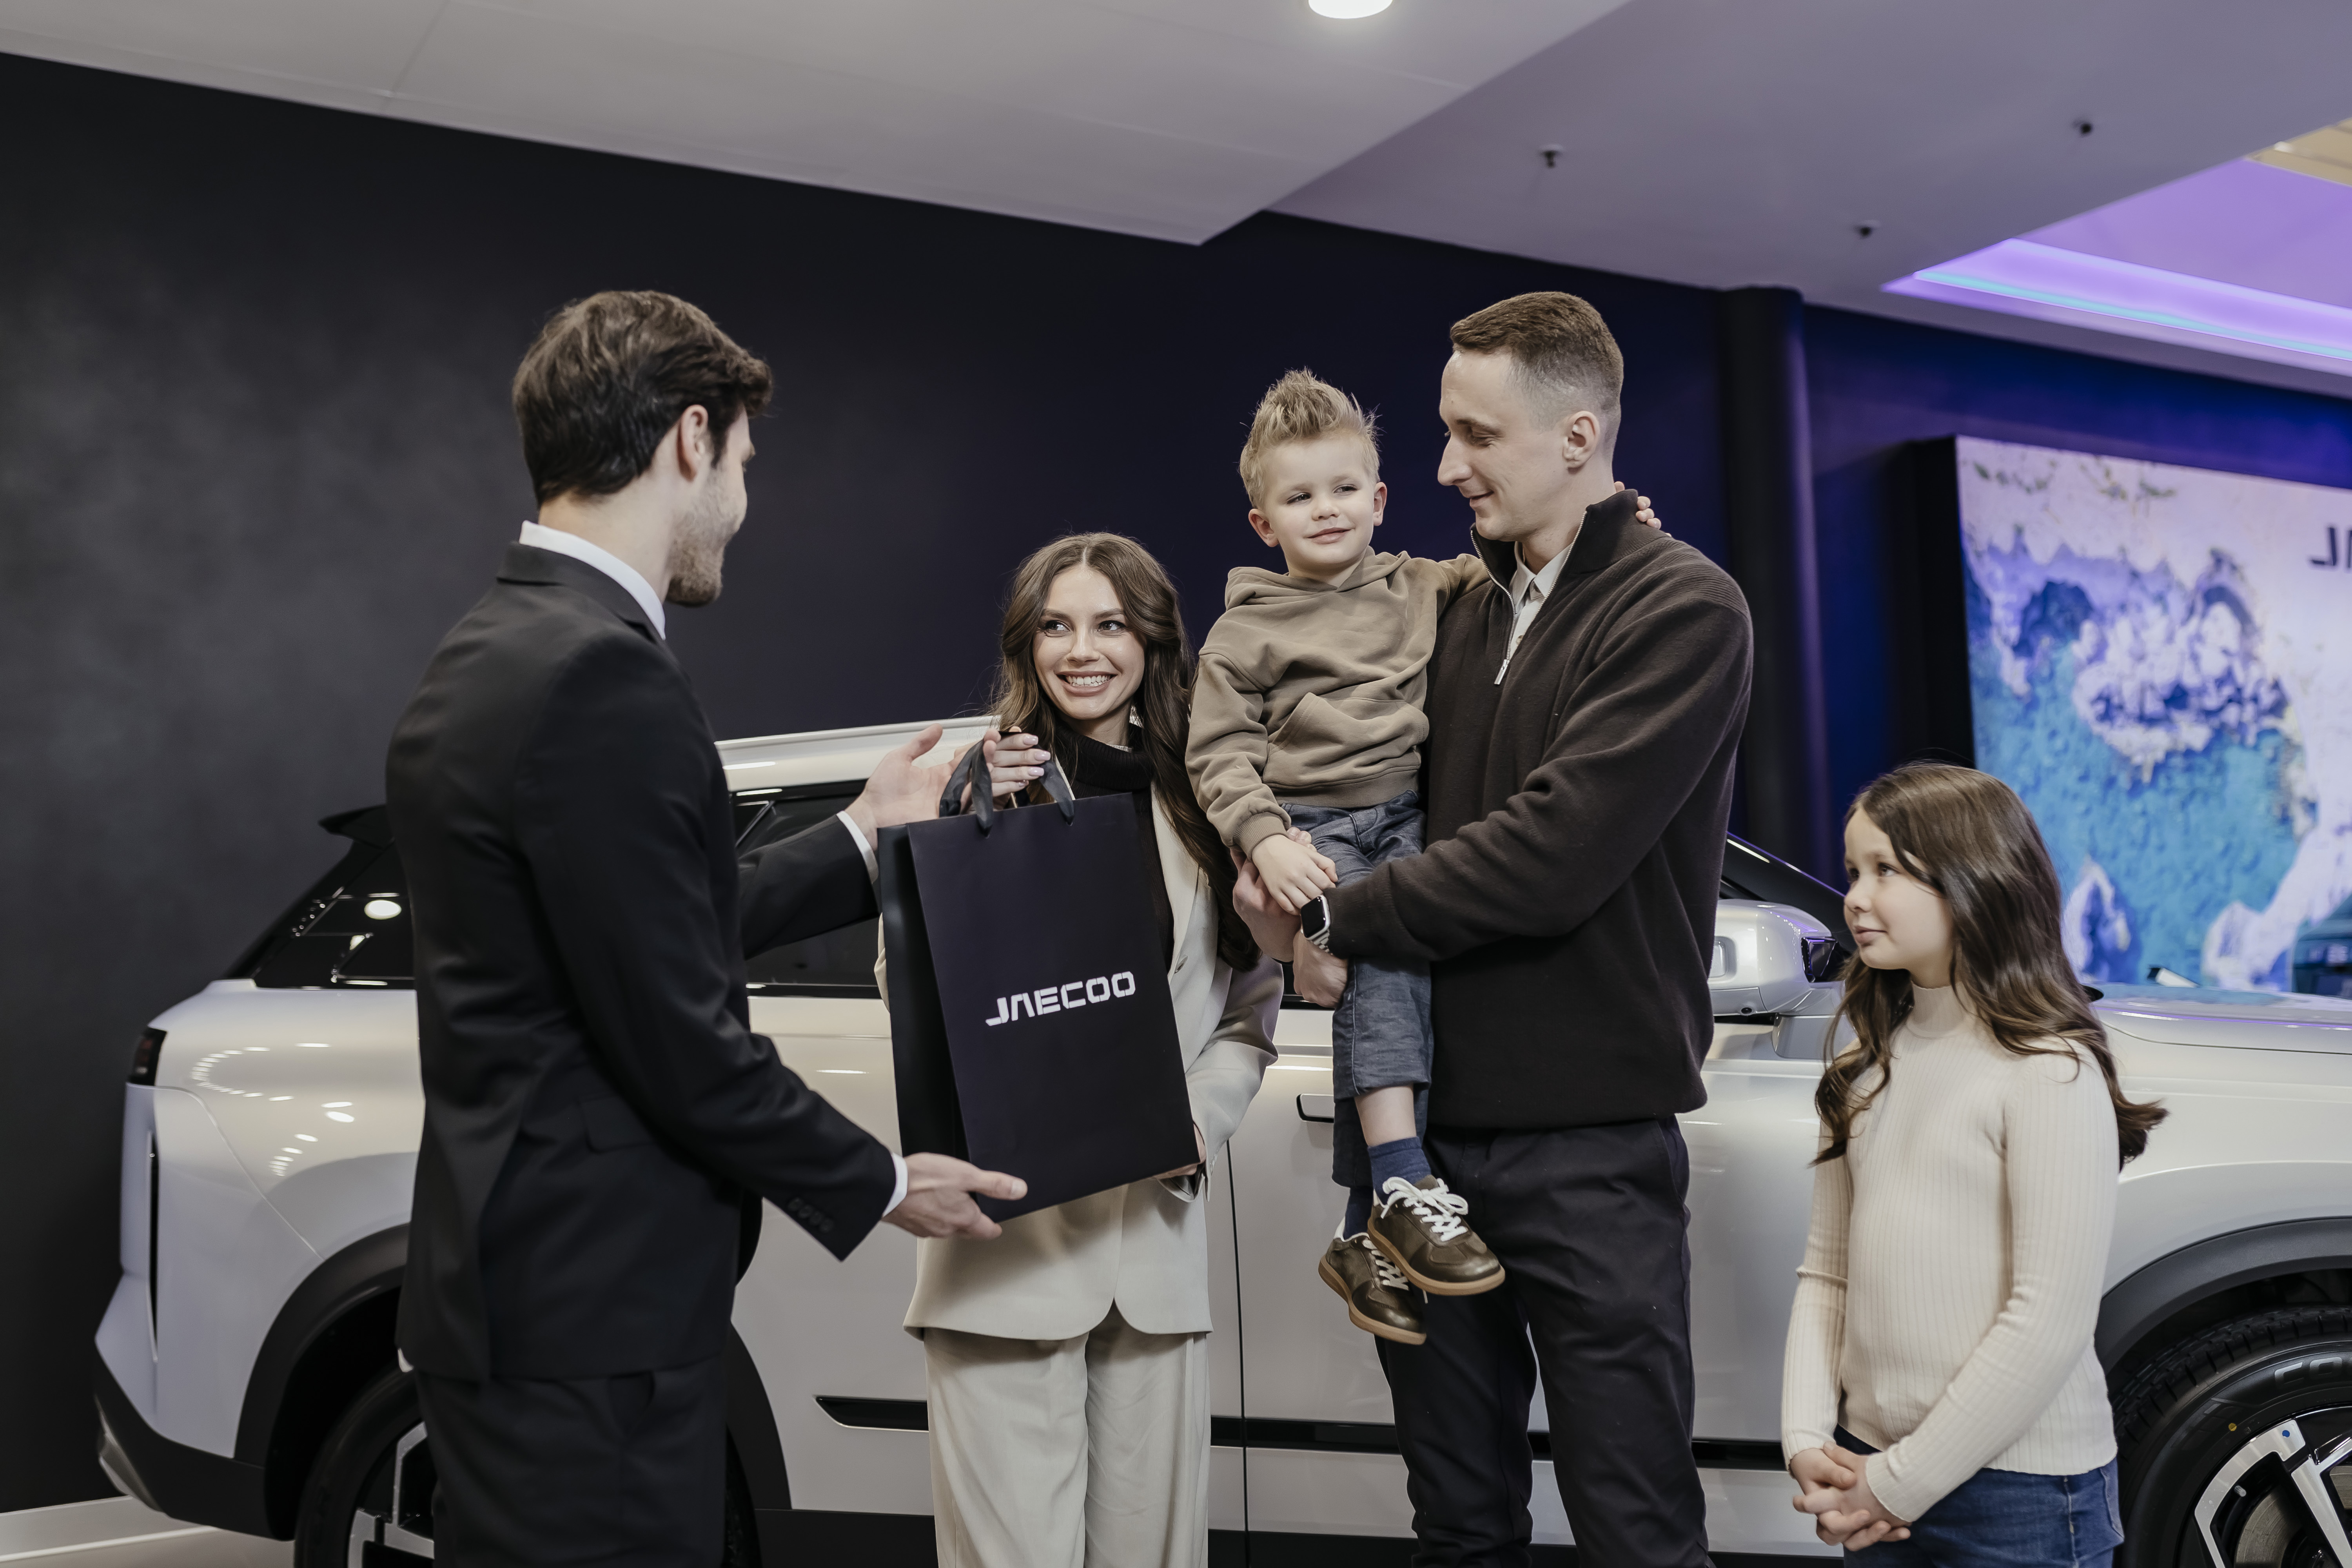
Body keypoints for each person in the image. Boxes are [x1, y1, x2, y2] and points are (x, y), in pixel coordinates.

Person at [385, 290, 1020, 1567]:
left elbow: (640, 935)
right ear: (690, 437)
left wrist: (861, 836)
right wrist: (884, 1182)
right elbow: (678, 1039)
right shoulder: (603, 672)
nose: (742, 502)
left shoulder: (493, 648)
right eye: (743, 462)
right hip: (595, 1327)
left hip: (527, 1300)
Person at [1242, 291, 1754, 1566]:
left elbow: (1549, 859)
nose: (1443, 467)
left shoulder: (1683, 611)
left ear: (1578, 436)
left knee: (1636, 1524)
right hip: (1422, 1155)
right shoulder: (1451, 608)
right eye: (1444, 431)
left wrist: (1334, 914)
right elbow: (1314, 717)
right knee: (1458, 1521)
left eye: (1475, 436)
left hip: (1591, 1154)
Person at [895, 532, 1287, 1568]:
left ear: (1152, 641)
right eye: (1057, 626)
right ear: (1025, 647)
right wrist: (962, 821)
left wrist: (1197, 1122)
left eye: (1111, 624)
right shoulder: (972, 790)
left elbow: (1250, 1009)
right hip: (1004, 1258)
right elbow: (914, 995)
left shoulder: (1210, 803)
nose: (1083, 650)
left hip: (1155, 1256)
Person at [1781, 764, 2165, 1564]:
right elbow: (1827, 1276)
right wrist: (1807, 1438)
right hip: (1870, 1467)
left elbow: (2046, 1321)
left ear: (1975, 880)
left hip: (2018, 1496)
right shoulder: (1863, 1068)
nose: (1855, 897)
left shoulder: (2048, 1069)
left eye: (1886, 870)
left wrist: (1898, 1483)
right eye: (1853, 871)